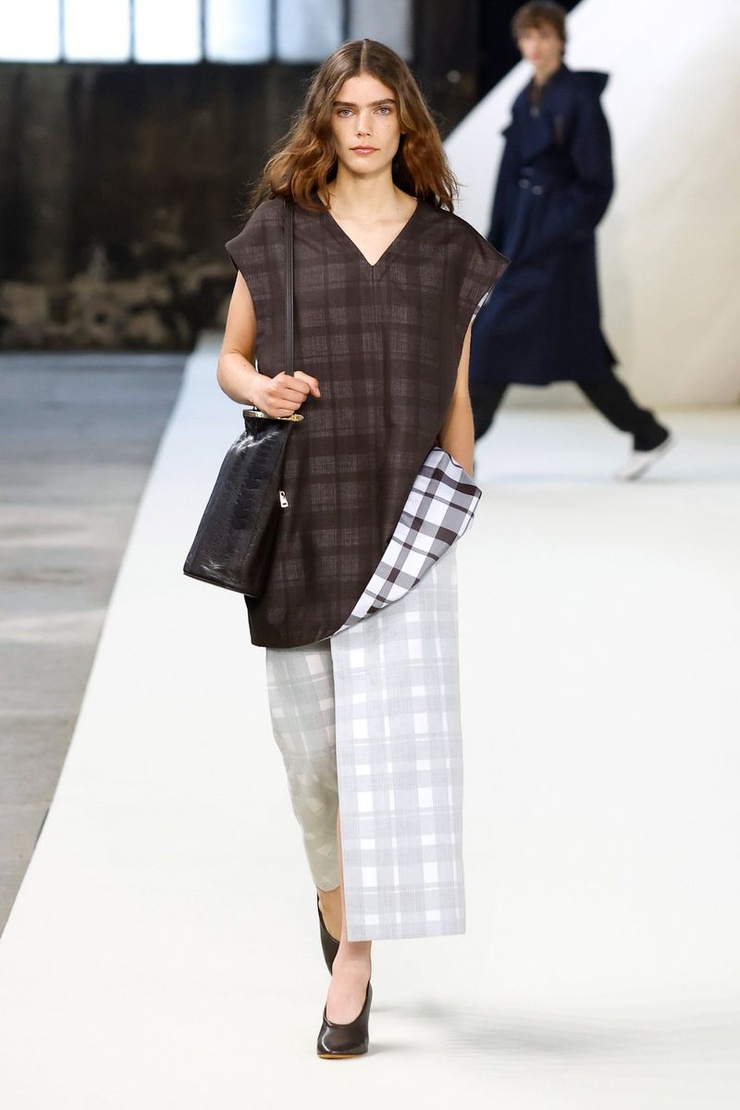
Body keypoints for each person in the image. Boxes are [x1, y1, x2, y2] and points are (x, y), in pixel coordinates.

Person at [215, 39, 507, 1058]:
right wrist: (262, 389)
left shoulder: (447, 250)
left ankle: (355, 962)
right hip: (302, 516)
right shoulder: (280, 232)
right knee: (313, 766)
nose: (366, 127)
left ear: (405, 121)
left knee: (386, 758)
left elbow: (457, 395)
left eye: (383, 109)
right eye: (348, 110)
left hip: (404, 529)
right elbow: (232, 358)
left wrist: (452, 507)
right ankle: (336, 907)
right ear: (326, 122)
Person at [470, 1, 674, 480]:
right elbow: (509, 176)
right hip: (524, 234)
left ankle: (460, 451)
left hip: (558, 243)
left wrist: (557, 232)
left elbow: (596, 182)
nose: (534, 46)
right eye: (527, 37)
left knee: (493, 339)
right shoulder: (525, 97)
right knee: (577, 351)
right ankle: (647, 433)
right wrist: (496, 240)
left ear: (561, 40)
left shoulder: (578, 97)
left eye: (544, 36)